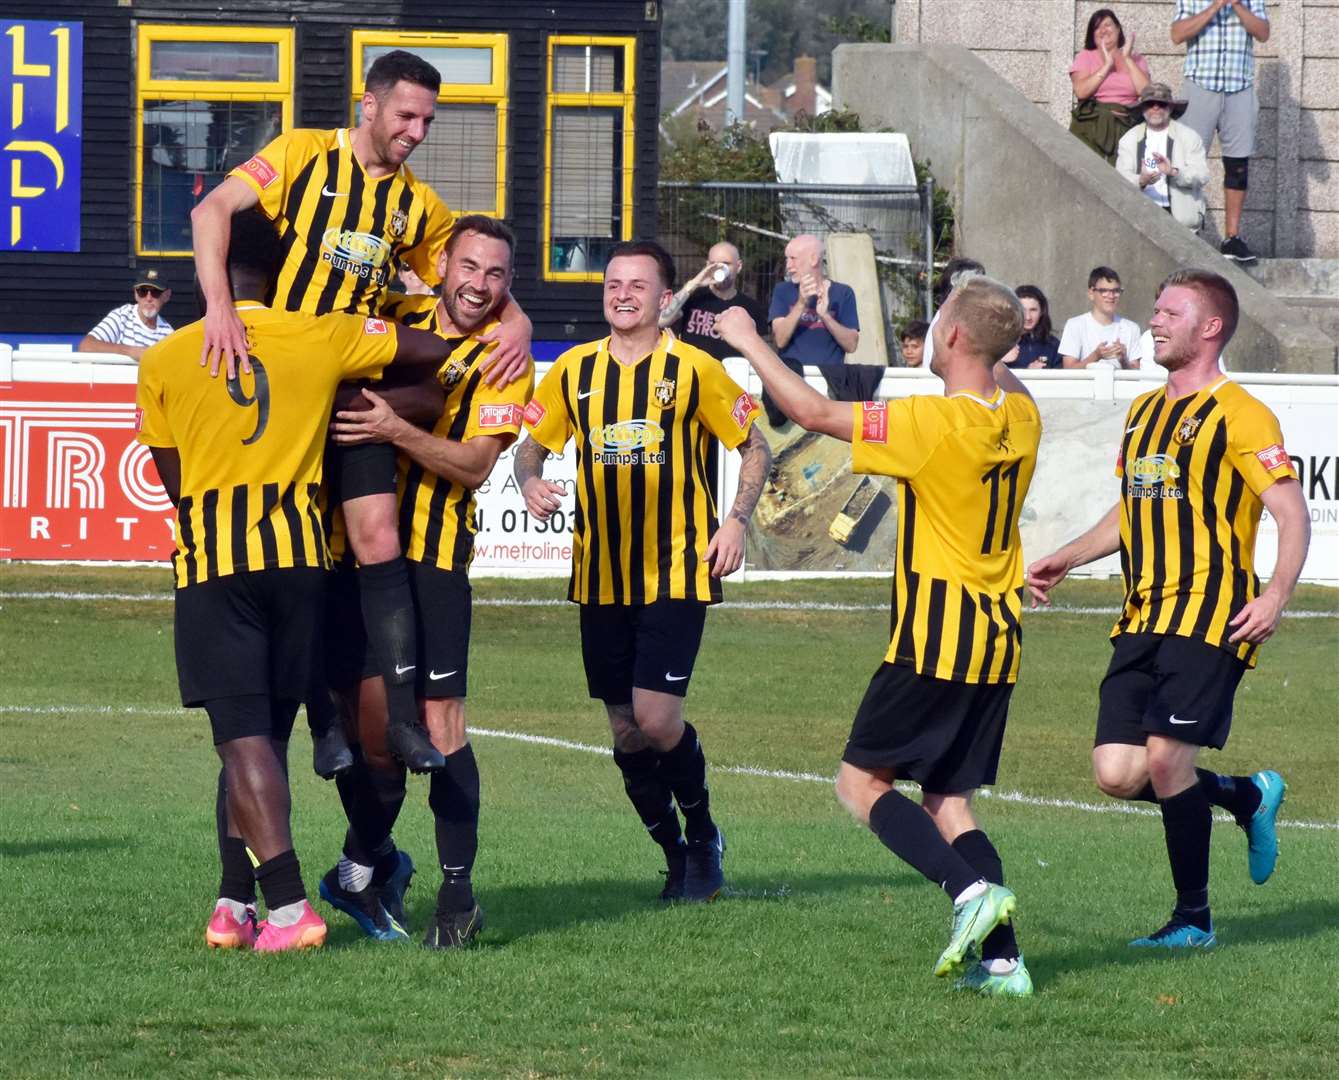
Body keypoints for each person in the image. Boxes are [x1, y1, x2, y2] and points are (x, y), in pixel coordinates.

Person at [135, 209, 469, 952]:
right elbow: (430, 349)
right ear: (281, 271)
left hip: (217, 564)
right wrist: (353, 400)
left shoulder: (162, 361)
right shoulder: (321, 335)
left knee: (244, 741)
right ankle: (231, 902)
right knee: (259, 736)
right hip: (300, 560)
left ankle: (286, 908)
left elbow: (174, 480)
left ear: (209, 270)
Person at [190, 49, 531, 774]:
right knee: (307, 559)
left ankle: (404, 721)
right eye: (406, 114)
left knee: (378, 537)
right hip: (285, 389)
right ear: (368, 106)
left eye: (428, 120)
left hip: (353, 386)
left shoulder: (416, 203)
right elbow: (209, 209)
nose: (416, 130)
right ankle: (321, 724)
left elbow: (478, 268)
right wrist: (219, 308)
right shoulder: (301, 153)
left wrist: (520, 322)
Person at [716, 273, 1042, 996]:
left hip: (933, 638)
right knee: (949, 804)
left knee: (860, 784)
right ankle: (1003, 963)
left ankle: (967, 894)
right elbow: (1000, 370)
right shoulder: (1020, 418)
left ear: (953, 337)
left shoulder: (930, 425)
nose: (928, 331)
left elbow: (807, 409)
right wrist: (989, 323)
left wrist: (744, 341)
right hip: (996, 642)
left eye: (938, 319)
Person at [1026, 268, 1309, 949]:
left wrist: (1273, 595)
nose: (1152, 321)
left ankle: (1193, 920)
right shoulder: (1145, 412)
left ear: (1208, 327)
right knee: (1116, 773)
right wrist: (1067, 554)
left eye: (1168, 312)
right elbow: (1132, 510)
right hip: (1142, 616)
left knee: (1162, 757)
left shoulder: (1242, 414)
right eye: (1153, 311)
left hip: (1211, 614)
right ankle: (1242, 796)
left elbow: (1290, 512)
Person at [513, 240, 772, 904]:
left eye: (637, 285)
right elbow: (528, 447)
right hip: (599, 577)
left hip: (676, 572)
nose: (622, 294)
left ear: (664, 300)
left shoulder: (694, 369)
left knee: (657, 720)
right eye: (612, 284)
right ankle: (677, 854)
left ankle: (705, 830)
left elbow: (754, 445)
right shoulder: (571, 371)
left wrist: (735, 521)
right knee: (625, 731)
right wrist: (531, 481)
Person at [313, 215, 533, 949]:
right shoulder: (390, 320)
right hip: (355, 556)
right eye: (469, 267)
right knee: (366, 731)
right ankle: (368, 861)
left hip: (435, 561)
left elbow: (474, 466)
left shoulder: (507, 359)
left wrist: (393, 431)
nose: (479, 285)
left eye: (497, 275)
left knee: (441, 726)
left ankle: (457, 899)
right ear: (441, 264)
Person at [1172, 0, 1270, 264]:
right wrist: (1215, 7)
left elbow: (1263, 32)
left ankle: (1232, 238)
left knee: (1238, 164)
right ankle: (1185, 230)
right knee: (1188, 160)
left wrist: (1237, 6)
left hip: (1240, 86)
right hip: (1200, 84)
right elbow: (1177, 34)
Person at [768, 233, 861, 415]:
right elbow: (780, 339)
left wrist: (825, 316)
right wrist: (801, 303)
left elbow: (851, 344)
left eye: (793, 259)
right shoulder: (783, 291)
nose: (788, 266)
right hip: (791, 383)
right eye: (787, 259)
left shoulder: (843, 293)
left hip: (829, 384)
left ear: (813, 259)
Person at [1116, 83, 1209, 230]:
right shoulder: (1129, 139)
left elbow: (1202, 175)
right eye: (1150, 104)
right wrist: (1141, 181)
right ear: (1142, 108)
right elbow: (1120, 178)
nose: (1155, 108)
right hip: (1141, 215)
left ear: (1170, 108)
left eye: (1161, 104)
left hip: (1180, 218)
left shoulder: (1189, 136)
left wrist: (1174, 172)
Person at [658, 241, 769, 360]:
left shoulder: (750, 307)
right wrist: (694, 283)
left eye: (726, 263)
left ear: (739, 266)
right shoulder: (693, 297)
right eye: (713, 264)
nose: (719, 268)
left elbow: (761, 352)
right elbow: (662, 320)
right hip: (692, 372)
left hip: (727, 375)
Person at [1069, 8, 1152, 164]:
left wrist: (1127, 59)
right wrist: (1107, 65)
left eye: (1108, 25)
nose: (1103, 30)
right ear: (1092, 35)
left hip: (1129, 124)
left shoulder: (1137, 59)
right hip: (1093, 124)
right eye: (1097, 27)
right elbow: (1081, 91)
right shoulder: (1085, 56)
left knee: (1125, 176)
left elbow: (1147, 93)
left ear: (1118, 29)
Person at [78, 269, 174, 360]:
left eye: (155, 292)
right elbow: (86, 346)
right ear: (136, 294)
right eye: (143, 291)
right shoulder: (122, 316)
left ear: (166, 296)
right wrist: (131, 351)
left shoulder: (169, 334)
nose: (148, 298)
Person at [1059, 266, 1143, 369]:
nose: (1111, 296)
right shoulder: (1075, 325)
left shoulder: (1131, 328)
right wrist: (1095, 356)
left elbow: (1137, 375)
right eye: (1104, 291)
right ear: (1091, 293)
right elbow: (1068, 370)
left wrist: (1123, 360)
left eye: (1116, 291)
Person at [1002, 286, 1061, 369]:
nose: (1028, 317)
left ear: (1042, 312)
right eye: (1023, 310)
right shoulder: (999, 343)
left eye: (1033, 310)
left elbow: (1062, 379)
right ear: (1013, 311)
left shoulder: (1052, 344)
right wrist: (999, 361)